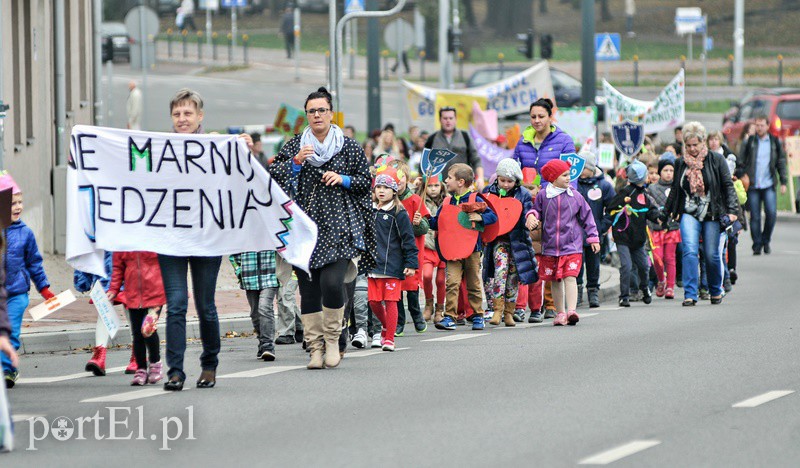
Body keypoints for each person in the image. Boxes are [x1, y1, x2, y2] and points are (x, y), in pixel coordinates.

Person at [269, 87, 374, 370]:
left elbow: (366, 181)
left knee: (331, 284)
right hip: (305, 230)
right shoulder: (294, 146)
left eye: (322, 110)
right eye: (311, 111)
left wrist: (343, 179)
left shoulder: (349, 146)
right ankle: (315, 348)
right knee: (309, 289)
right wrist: (295, 163)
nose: (317, 115)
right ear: (307, 115)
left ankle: (332, 341)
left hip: (340, 227)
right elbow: (273, 179)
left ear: (331, 113)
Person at [160, 88, 254, 391]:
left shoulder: (215, 144)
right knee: (175, 304)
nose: (182, 119)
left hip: (207, 239)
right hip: (172, 240)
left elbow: (240, 175)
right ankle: (174, 371)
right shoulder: (160, 149)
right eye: (177, 114)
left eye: (188, 113)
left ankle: (209, 364)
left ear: (199, 116)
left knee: (205, 305)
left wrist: (243, 149)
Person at [664, 122, 739, 306]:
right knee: (689, 250)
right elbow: (675, 190)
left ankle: (715, 289)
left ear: (702, 142)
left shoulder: (716, 160)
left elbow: (727, 185)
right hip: (688, 212)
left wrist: (732, 211)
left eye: (695, 145)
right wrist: (666, 212)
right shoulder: (680, 162)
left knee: (712, 254)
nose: (692, 149)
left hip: (711, 212)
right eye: (688, 145)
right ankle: (690, 294)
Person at [529, 160, 600, 326]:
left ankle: (572, 311)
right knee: (555, 280)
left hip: (572, 246)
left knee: (570, 277)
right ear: (553, 178)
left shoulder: (575, 196)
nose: (569, 178)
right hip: (550, 247)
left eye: (569, 174)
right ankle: (560, 312)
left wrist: (593, 237)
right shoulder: (543, 195)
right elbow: (536, 211)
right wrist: (531, 216)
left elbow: (587, 217)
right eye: (565, 175)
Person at [0, 173, 54, 388]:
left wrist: (45, 288)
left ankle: (8, 371)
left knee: (11, 331)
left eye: (20, 202)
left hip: (17, 294)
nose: (18, 206)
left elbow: (34, 263)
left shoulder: (26, 233)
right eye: (12, 202)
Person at [429, 163, 497, 331]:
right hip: (452, 250)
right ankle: (450, 317)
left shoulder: (476, 199)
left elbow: (493, 216)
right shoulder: (446, 201)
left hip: (472, 249)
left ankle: (477, 315)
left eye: (449, 178)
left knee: (473, 283)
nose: (446, 181)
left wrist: (480, 217)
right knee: (452, 283)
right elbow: (438, 223)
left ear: (460, 182)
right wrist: (423, 219)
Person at [482, 159, 538, 327]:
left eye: (510, 181)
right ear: (497, 178)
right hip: (498, 240)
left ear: (516, 181)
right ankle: (497, 309)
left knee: (513, 277)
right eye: (502, 180)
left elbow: (528, 211)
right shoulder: (488, 192)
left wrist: (530, 218)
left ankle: (509, 312)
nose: (505, 184)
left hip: (517, 241)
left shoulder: (523, 194)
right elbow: (484, 212)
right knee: (500, 272)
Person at [368, 171, 418, 351]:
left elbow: (408, 239)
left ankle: (389, 338)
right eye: (379, 187)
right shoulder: (370, 209)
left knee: (391, 302)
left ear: (394, 191)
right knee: (374, 302)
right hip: (372, 265)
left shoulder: (399, 212)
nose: (382, 191)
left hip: (393, 265)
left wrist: (411, 263)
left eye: (386, 188)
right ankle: (385, 327)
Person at [106, 251, 166, 386]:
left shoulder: (154, 234)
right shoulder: (123, 243)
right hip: (132, 295)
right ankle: (141, 370)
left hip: (155, 293)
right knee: (137, 334)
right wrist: (113, 289)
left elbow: (169, 261)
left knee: (148, 329)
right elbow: (117, 268)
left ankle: (155, 364)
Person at [607, 160, 661, 307]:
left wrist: (658, 217)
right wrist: (605, 227)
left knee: (644, 266)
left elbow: (650, 211)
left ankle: (645, 289)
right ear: (640, 177)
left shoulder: (644, 194)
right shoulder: (624, 193)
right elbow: (611, 210)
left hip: (638, 239)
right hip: (623, 237)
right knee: (626, 266)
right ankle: (624, 296)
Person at [736, 115, 789, 255]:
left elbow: (781, 162)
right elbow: (740, 160)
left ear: (767, 126)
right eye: (757, 125)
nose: (759, 128)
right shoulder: (750, 142)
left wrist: (783, 182)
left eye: (761, 125)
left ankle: (766, 240)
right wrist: (743, 175)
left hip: (768, 183)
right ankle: (757, 244)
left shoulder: (774, 142)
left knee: (771, 213)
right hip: (753, 184)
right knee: (755, 216)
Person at [390, 161, 430, 335]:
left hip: (411, 250)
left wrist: (418, 223)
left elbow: (425, 228)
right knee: (396, 286)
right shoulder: (387, 201)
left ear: (407, 179)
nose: (398, 182)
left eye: (401, 178)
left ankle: (417, 315)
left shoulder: (415, 200)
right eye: (395, 178)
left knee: (412, 285)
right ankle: (399, 320)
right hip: (393, 251)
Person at [576, 150, 615, 308]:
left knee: (594, 264)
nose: (579, 170)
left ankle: (593, 292)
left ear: (591, 168)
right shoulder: (573, 184)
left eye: (582, 167)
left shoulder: (603, 185)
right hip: (575, 233)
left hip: (594, 233)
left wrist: (603, 225)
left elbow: (613, 208)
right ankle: (577, 292)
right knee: (576, 265)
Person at [229, 250, 279, 361]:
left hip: (270, 274)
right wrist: (239, 270)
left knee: (265, 307)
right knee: (255, 313)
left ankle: (268, 345)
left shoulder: (269, 232)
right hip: (249, 276)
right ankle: (262, 342)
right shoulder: (243, 233)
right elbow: (233, 251)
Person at [512, 98, 576, 186]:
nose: (537, 120)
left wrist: (569, 197)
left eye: (541, 116)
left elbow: (572, 175)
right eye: (533, 117)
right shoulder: (522, 142)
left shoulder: (565, 141)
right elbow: (514, 172)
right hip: (527, 196)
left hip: (554, 197)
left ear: (550, 118)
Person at [424, 107, 484, 190]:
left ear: (455, 119)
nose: (448, 121)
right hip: (439, 188)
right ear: (440, 120)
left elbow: (476, 159)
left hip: (462, 187)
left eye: (451, 118)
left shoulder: (465, 136)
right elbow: (424, 163)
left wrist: (480, 178)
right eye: (445, 118)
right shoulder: (432, 138)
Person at [647, 158, 681, 299]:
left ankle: (670, 287)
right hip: (656, 228)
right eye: (665, 170)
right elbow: (649, 208)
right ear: (660, 172)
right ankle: (661, 280)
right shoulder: (652, 188)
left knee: (670, 258)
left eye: (671, 170)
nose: (668, 173)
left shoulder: (678, 187)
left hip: (672, 228)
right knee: (657, 258)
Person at [417, 173, 446, 324]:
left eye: (436, 185)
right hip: (427, 245)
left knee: (441, 280)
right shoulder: (420, 200)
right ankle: (429, 304)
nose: (433, 189)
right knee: (427, 275)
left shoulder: (447, 200)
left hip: (443, 246)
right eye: (430, 186)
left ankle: (440, 308)